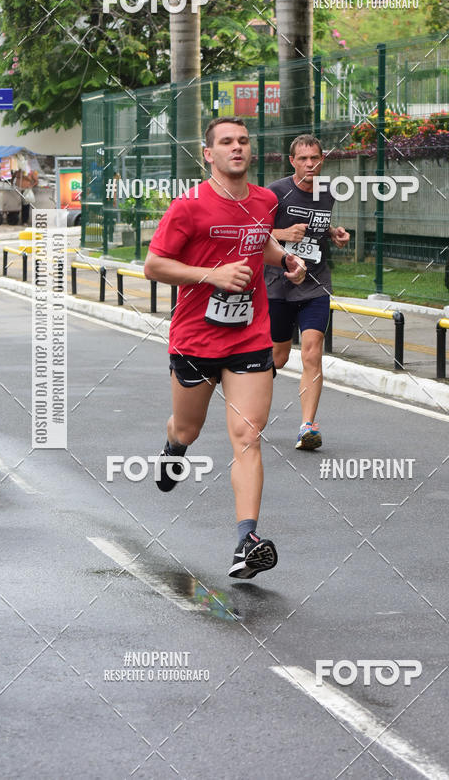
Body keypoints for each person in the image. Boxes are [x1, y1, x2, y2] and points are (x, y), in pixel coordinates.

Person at [144, 117, 306, 580]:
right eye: (226, 142)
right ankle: (174, 447)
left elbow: (260, 243)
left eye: (243, 141)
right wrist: (210, 275)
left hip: (249, 336)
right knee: (188, 428)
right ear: (208, 153)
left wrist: (286, 258)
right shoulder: (188, 206)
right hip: (196, 338)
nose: (237, 148)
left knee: (247, 435)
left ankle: (246, 542)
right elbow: (154, 265)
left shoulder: (265, 201)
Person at [264, 134, 350, 450]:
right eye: (303, 159)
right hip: (279, 284)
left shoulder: (327, 192)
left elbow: (318, 225)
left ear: (322, 159)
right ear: (292, 161)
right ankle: (249, 391)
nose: (309, 164)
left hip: (315, 283)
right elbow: (255, 231)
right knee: (278, 357)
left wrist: (334, 233)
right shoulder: (276, 192)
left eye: (315, 158)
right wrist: (283, 233)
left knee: (312, 351)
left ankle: (308, 426)